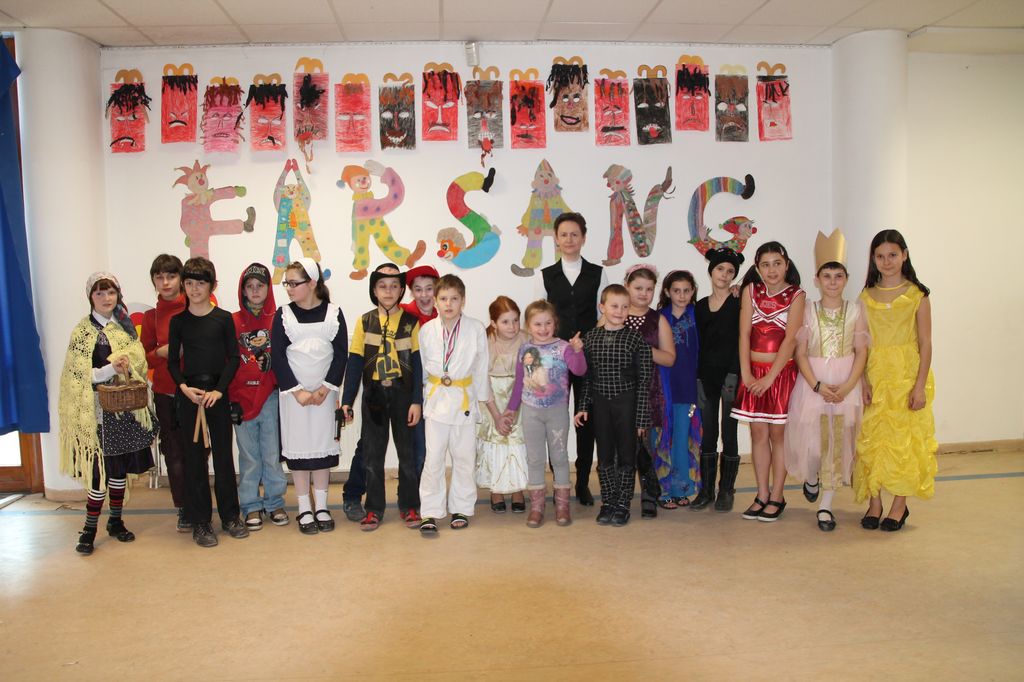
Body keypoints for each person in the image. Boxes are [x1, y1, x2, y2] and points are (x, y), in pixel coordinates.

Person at [59, 272, 156, 555]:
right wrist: (109, 369)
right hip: (96, 413)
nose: (105, 298)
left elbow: (140, 364)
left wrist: (128, 366)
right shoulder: (82, 332)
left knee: (118, 471)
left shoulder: (124, 328)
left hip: (124, 410)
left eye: (110, 292)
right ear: (90, 297)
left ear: (118, 295)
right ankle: (89, 529)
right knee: (98, 475)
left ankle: (116, 521)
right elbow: (78, 375)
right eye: (99, 293)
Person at [785, 230, 868, 532]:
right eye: (827, 276)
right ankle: (811, 477)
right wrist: (817, 385)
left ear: (846, 279)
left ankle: (825, 505)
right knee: (812, 445)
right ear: (817, 280)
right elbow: (800, 352)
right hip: (814, 382)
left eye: (838, 276)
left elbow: (861, 351)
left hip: (845, 382)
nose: (833, 282)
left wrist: (848, 386)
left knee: (837, 442)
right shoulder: (808, 310)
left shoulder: (856, 311)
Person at [855, 229, 936, 532]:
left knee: (904, 441)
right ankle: (874, 502)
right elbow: (861, 343)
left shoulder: (917, 296)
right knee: (871, 438)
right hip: (875, 375)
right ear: (873, 259)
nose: (886, 261)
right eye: (880, 256)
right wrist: (863, 381)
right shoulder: (865, 296)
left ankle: (899, 505)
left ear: (904, 255)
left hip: (905, 377)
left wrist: (919, 385)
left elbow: (925, 343)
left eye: (892, 255)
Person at [167, 257, 247, 547]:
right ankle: (200, 521)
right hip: (190, 395)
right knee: (194, 459)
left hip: (216, 395)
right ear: (183, 287)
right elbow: (172, 362)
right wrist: (184, 388)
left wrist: (219, 391)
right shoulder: (178, 322)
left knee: (224, 457)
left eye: (200, 283)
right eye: (189, 283)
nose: (194, 288)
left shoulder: (223, 318)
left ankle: (230, 516)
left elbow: (234, 358)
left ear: (212, 285)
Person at [341, 263, 423, 532]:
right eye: (382, 286)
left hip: (403, 394)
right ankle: (374, 509)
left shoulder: (411, 323)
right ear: (374, 290)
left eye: (394, 286)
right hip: (374, 395)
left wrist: (416, 401)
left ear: (401, 291)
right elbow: (355, 363)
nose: (388, 291)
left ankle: (409, 505)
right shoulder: (364, 322)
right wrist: (347, 400)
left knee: (407, 455)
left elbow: (417, 365)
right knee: (372, 457)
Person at [535, 212, 607, 506]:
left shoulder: (598, 273)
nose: (569, 239)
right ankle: (559, 483)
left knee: (586, 419)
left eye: (574, 234)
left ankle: (582, 482)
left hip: (589, 357)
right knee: (556, 421)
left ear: (583, 238)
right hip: (555, 361)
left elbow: (605, 313)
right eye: (563, 234)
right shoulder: (546, 275)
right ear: (556, 239)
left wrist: (585, 342)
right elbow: (539, 317)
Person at [272, 259, 347, 534]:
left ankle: (323, 506)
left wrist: (325, 388)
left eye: (294, 283)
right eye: (287, 283)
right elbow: (278, 357)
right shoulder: (283, 315)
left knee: (322, 450)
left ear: (312, 283)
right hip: (295, 398)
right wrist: (298, 391)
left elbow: (341, 354)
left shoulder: (334, 313)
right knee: (300, 451)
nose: (289, 288)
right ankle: (304, 508)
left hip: (324, 396)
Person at [732, 242, 805, 523]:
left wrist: (770, 377)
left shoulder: (796, 295)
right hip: (753, 374)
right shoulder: (751, 290)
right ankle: (761, 494)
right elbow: (743, 334)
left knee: (778, 436)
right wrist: (747, 374)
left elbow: (790, 340)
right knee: (758, 434)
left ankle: (777, 495)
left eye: (777, 263)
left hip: (781, 375)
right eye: (765, 264)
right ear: (757, 267)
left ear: (786, 265)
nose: (771, 270)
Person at [417, 275, 493, 534]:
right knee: (433, 458)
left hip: (463, 399)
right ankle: (430, 510)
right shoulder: (427, 330)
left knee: (464, 458)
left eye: (454, 299)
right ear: (435, 301)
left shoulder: (475, 328)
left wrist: (483, 399)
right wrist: (422, 398)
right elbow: (423, 368)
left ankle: (462, 507)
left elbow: (481, 366)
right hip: (437, 399)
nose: (448, 304)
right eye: (443, 298)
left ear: (463, 301)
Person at [575, 285, 653, 526]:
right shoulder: (591, 338)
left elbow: (644, 381)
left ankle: (623, 503)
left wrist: (641, 418)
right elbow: (587, 377)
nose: (619, 311)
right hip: (600, 405)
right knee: (605, 455)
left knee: (627, 456)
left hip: (627, 404)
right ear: (602, 307)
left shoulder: (636, 339)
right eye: (614, 306)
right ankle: (608, 501)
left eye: (624, 307)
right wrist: (583, 406)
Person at [504, 300, 587, 527]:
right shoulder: (525, 350)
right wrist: (511, 410)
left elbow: (579, 370)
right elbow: (519, 383)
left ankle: (562, 506)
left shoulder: (563, 348)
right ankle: (537, 507)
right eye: (537, 324)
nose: (543, 328)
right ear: (528, 326)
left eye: (548, 323)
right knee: (535, 459)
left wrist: (578, 351)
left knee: (559, 458)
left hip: (557, 412)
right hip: (531, 413)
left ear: (555, 323)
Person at [230, 263, 287, 531]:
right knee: (249, 456)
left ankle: (274, 502)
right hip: (241, 398)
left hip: (269, 397)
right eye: (250, 286)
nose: (255, 291)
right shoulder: (232, 321)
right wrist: (230, 398)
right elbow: (227, 362)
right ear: (243, 290)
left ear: (268, 289)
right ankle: (251, 504)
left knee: (271, 454)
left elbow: (285, 358)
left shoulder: (278, 320)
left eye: (260, 286)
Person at [621, 265, 676, 518]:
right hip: (619, 391)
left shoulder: (658, 320)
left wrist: (642, 348)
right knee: (622, 446)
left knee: (648, 445)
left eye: (649, 289)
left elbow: (669, 358)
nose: (643, 293)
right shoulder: (615, 313)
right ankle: (620, 495)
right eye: (638, 288)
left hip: (650, 390)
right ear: (627, 287)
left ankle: (650, 495)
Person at [140, 254, 190, 532]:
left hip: (195, 391)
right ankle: (182, 506)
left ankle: (198, 502)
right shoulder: (151, 317)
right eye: (159, 277)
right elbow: (143, 357)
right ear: (153, 281)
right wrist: (161, 352)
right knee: (173, 452)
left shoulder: (195, 307)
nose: (166, 282)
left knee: (198, 449)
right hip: (165, 392)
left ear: (181, 278)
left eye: (171, 276)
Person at [692, 247, 744, 512]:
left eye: (730, 271)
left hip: (731, 376)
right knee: (709, 434)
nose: (724, 274)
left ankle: (726, 490)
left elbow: (742, 340)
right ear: (711, 271)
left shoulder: (740, 301)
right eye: (720, 269)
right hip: (706, 377)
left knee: (730, 432)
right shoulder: (700, 306)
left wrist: (735, 373)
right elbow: (697, 345)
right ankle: (706, 491)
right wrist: (698, 378)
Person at [476, 296, 529, 514]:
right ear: (494, 322)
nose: (512, 326)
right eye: (505, 322)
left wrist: (512, 409)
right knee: (495, 441)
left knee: (516, 441)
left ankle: (517, 489)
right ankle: (496, 490)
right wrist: (497, 415)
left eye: (515, 320)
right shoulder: (485, 341)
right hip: (491, 401)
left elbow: (530, 376)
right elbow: (481, 379)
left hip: (519, 399)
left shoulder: (527, 340)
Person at [656, 270, 702, 508]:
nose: (682, 295)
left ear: (693, 291)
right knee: (662, 438)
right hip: (663, 388)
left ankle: (681, 488)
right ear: (667, 292)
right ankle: (662, 490)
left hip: (688, 387)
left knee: (683, 439)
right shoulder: (658, 318)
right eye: (676, 291)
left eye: (686, 290)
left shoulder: (698, 315)